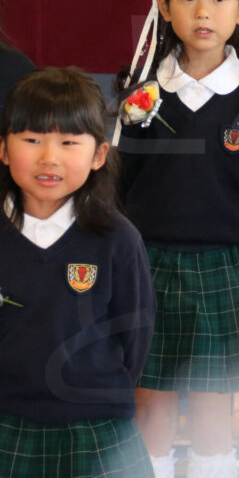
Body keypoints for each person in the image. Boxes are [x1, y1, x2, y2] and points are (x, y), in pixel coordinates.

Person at [116, 0, 239, 478]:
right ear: (163, 6)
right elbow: (124, 181)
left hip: (225, 264)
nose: (203, 12)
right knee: (151, 403)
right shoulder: (143, 93)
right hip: (149, 262)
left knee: (215, 407)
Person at [0, 67, 155, 477]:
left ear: (99, 155)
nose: (49, 158)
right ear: (3, 149)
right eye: (32, 140)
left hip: (98, 427)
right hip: (6, 423)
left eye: (69, 142)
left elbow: (135, 336)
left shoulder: (117, 239)